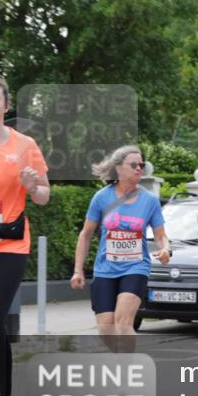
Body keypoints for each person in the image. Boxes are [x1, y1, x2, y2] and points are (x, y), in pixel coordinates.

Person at [0, 78, 50, 396]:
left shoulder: (24, 145)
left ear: (5, 105)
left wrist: (31, 186)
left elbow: (43, 196)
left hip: (8, 244)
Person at [70, 146, 170, 353]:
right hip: (105, 269)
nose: (139, 169)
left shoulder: (149, 200)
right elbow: (86, 234)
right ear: (118, 168)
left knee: (123, 323)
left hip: (135, 267)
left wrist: (165, 249)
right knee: (106, 329)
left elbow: (160, 235)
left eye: (141, 165)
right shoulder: (101, 197)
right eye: (133, 165)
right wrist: (78, 270)